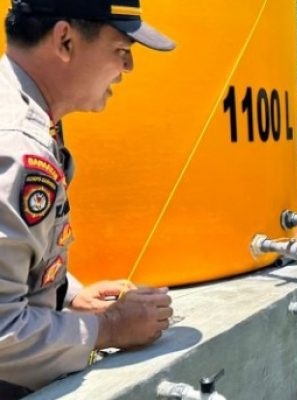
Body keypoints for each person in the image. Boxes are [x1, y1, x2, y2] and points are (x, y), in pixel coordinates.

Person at [0, 0, 175, 396]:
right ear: (65, 40)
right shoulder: (15, 145)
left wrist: (69, 295)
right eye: (121, 51)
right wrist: (107, 327)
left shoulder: (26, 112)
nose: (128, 68)